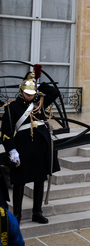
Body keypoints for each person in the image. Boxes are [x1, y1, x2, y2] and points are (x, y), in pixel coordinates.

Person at [1, 65, 60, 224]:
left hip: (40, 147)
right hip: (22, 148)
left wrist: (40, 85)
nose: (30, 95)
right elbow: (6, 132)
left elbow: (55, 93)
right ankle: (18, 214)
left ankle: (37, 212)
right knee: (20, 181)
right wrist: (11, 150)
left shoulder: (40, 101)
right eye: (27, 93)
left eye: (32, 92)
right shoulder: (12, 107)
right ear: (21, 91)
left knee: (39, 180)